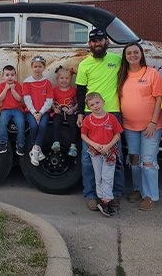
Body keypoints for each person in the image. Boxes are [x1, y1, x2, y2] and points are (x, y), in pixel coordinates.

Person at [75, 28, 124, 211]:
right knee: (89, 158)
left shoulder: (117, 60)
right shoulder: (84, 65)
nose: (97, 44)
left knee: (114, 157)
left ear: (106, 41)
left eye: (101, 40)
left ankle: (115, 194)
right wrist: (80, 113)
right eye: (94, 41)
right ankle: (90, 195)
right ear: (90, 44)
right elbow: (80, 91)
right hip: (90, 114)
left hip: (112, 113)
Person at [117, 42, 162, 211]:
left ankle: (151, 196)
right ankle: (138, 190)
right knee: (134, 159)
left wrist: (153, 122)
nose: (132, 55)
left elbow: (159, 98)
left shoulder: (151, 73)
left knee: (148, 161)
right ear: (125, 56)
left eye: (135, 52)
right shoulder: (122, 74)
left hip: (150, 126)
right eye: (129, 53)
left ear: (141, 54)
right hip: (129, 126)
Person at [81, 92, 123, 217]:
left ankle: (107, 200)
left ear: (103, 102)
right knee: (98, 176)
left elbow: (117, 134)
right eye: (92, 104)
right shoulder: (88, 120)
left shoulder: (112, 118)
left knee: (108, 176)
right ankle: (101, 199)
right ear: (88, 108)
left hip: (110, 152)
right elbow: (83, 135)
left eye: (97, 102)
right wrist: (94, 144)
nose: (96, 106)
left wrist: (108, 146)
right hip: (95, 152)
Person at [23, 55, 53, 166]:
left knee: (43, 125)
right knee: (34, 126)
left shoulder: (47, 83)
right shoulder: (27, 82)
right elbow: (27, 99)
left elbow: (49, 100)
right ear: (31, 67)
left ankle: (34, 149)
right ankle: (38, 150)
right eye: (35, 66)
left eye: (39, 66)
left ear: (44, 68)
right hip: (31, 111)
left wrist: (40, 113)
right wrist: (34, 113)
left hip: (44, 112)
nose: (37, 69)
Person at [0, 65, 25, 155]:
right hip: (6, 110)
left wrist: (12, 89)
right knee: (2, 123)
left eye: (12, 75)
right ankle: (2, 142)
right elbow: (0, 98)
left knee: (21, 123)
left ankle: (20, 144)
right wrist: (6, 89)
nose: (10, 77)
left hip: (17, 109)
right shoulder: (1, 86)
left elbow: (19, 99)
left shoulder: (17, 85)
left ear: (15, 76)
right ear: (3, 76)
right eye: (7, 75)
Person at [51, 66, 78, 156]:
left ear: (70, 79)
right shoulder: (54, 90)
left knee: (73, 124)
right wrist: (55, 109)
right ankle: (56, 142)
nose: (64, 80)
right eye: (61, 78)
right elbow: (51, 101)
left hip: (70, 111)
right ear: (57, 79)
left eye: (67, 78)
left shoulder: (73, 90)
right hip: (59, 111)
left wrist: (73, 109)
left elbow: (78, 102)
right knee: (56, 122)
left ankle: (73, 146)